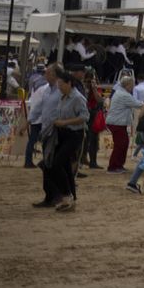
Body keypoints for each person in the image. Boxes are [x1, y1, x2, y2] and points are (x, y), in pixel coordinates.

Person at [38, 72, 89, 211]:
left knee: (57, 163)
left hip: (74, 134)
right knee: (64, 167)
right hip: (61, 134)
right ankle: (71, 197)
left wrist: (65, 122)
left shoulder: (78, 98)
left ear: (69, 83)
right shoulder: (62, 97)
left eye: (61, 84)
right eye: (58, 84)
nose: (59, 86)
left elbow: (85, 116)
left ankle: (66, 195)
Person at [103, 73, 142, 174]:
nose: (133, 87)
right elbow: (137, 104)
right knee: (120, 144)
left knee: (123, 143)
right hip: (117, 123)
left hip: (118, 122)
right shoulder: (124, 95)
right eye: (132, 85)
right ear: (127, 85)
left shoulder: (120, 92)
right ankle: (113, 167)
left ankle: (118, 165)